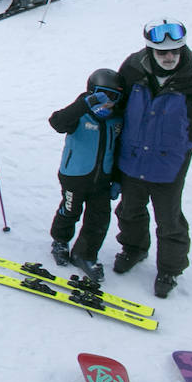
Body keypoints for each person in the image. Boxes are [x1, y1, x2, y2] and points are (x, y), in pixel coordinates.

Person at [112, 19, 192, 298]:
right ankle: (133, 249)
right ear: (151, 51)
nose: (170, 57)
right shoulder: (132, 68)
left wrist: (180, 139)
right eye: (163, 53)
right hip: (132, 157)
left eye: (175, 51)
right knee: (129, 210)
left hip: (169, 164)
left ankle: (170, 269)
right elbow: (119, 104)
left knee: (169, 219)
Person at [47, 68, 123, 282]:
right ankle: (60, 240)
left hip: (102, 180)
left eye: (114, 97)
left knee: (99, 219)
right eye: (102, 95)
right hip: (75, 176)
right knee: (70, 210)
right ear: (91, 92)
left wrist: (117, 178)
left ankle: (85, 254)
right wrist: (84, 105)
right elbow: (57, 122)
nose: (107, 102)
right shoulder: (79, 114)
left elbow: (118, 151)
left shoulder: (116, 120)